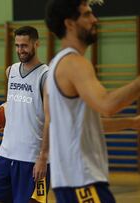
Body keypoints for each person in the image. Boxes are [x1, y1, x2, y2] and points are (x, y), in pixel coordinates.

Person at [45, 0, 140, 202]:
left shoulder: (56, 64)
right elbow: (107, 105)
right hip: (81, 181)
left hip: (72, 182)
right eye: (87, 15)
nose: (94, 19)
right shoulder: (74, 64)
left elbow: (86, 125)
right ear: (70, 23)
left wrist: (132, 123)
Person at [0, 26, 50, 203]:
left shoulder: (46, 76)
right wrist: (9, 122)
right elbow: (16, 105)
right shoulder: (11, 71)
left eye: (24, 45)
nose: (20, 50)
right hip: (6, 155)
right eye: (17, 45)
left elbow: (50, 120)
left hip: (33, 159)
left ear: (36, 44)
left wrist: (43, 157)